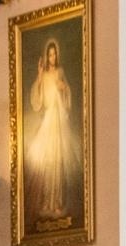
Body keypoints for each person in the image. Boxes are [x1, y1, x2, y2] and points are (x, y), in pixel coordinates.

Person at [25, 39, 82, 221]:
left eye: (54, 54)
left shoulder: (60, 72)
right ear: (46, 56)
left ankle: (56, 202)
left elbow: (67, 94)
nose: (52, 57)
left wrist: (64, 89)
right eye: (50, 54)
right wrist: (39, 76)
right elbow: (37, 101)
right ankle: (46, 202)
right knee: (48, 161)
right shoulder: (44, 75)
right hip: (49, 118)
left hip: (58, 119)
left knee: (58, 161)